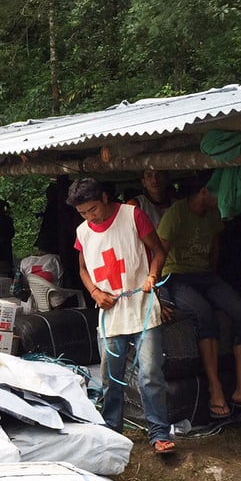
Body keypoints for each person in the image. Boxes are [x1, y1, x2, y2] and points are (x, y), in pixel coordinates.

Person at [67, 178, 175, 454]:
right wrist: (94, 292)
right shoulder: (83, 232)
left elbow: (158, 251)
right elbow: (82, 269)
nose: (90, 217)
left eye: (93, 209)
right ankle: (111, 430)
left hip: (142, 305)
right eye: (83, 213)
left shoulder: (132, 215)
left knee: (150, 372)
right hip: (110, 313)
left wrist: (152, 275)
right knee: (110, 377)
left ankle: (159, 433)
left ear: (105, 197)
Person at [157, 173, 241, 418]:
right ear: (204, 192)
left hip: (205, 276)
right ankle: (215, 387)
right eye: (219, 192)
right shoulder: (175, 214)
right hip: (176, 276)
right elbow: (159, 254)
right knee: (203, 314)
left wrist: (213, 279)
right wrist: (159, 293)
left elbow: (215, 248)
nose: (223, 197)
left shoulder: (213, 214)